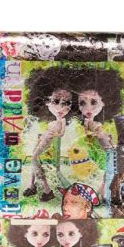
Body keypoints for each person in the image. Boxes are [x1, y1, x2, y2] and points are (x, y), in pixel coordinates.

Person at [24, 66, 76, 201]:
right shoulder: (53, 120)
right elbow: (49, 131)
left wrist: (54, 135)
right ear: (47, 102)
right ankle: (32, 186)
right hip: (43, 139)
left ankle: (47, 190)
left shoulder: (62, 120)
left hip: (47, 141)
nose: (61, 107)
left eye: (67, 103)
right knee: (34, 160)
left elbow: (61, 133)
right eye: (56, 101)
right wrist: (43, 136)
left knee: (34, 159)